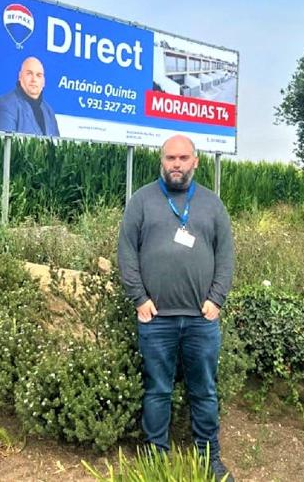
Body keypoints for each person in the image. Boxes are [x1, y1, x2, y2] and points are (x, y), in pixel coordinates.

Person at [118, 134, 235, 482]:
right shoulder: (141, 201)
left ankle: (209, 459)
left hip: (201, 320)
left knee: (204, 391)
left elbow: (226, 256)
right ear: (162, 161)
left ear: (195, 161)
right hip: (156, 320)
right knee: (158, 390)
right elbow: (127, 253)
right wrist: (139, 299)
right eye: (170, 158)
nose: (177, 164)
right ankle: (156, 457)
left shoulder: (212, 204)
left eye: (183, 158)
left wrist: (216, 299)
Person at [0, 57, 60, 137]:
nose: (34, 79)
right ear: (20, 76)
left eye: (38, 75)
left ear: (43, 82)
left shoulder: (49, 111)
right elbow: (3, 143)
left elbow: (57, 143)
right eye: (29, 73)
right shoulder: (5, 105)